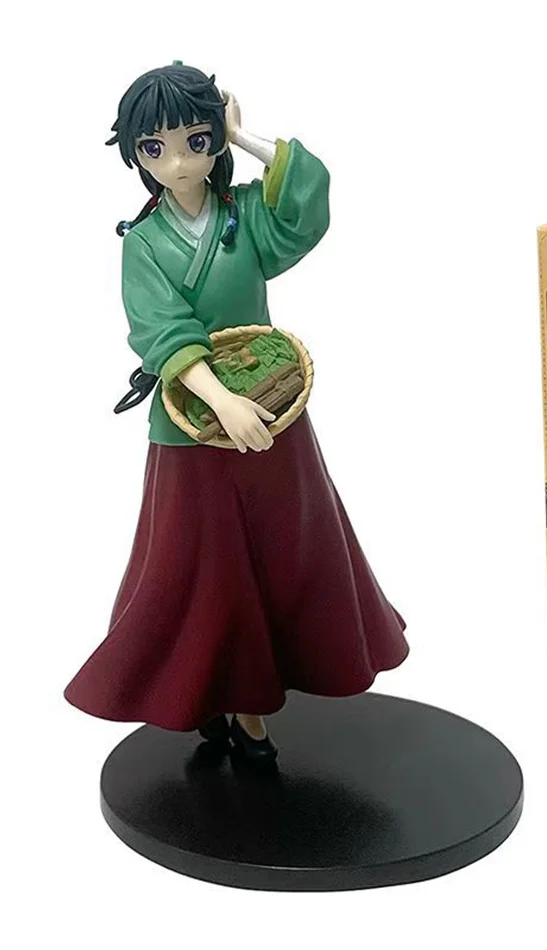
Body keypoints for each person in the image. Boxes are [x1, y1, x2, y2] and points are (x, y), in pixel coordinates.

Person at [65, 63, 408, 764]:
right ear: (135, 154)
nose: (178, 162)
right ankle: (209, 696)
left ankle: (253, 707)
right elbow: (162, 330)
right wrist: (220, 400)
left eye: (195, 140)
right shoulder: (143, 243)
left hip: (272, 415)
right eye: (155, 148)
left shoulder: (243, 215)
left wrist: (242, 137)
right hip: (193, 426)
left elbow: (303, 209)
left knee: (289, 551)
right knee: (201, 568)